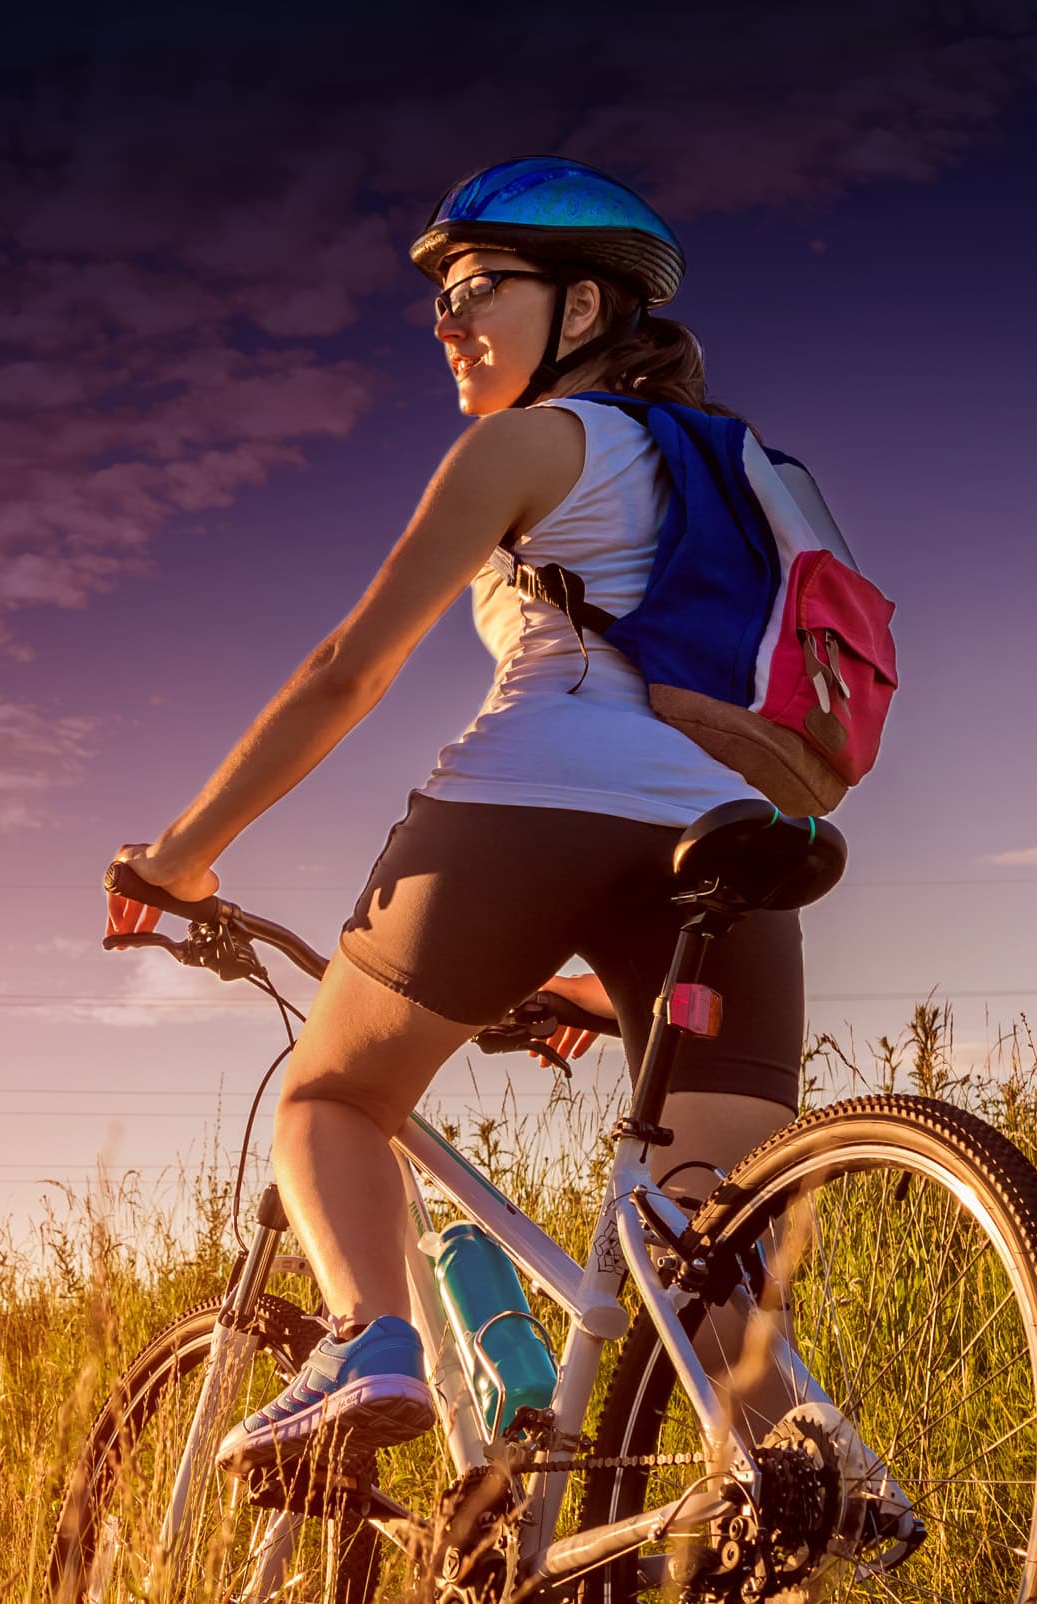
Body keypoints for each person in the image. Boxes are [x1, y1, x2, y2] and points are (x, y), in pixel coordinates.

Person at [105, 155, 813, 1474]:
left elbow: (347, 671)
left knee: (330, 1094)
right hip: (737, 844)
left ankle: (370, 1341)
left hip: (532, 802)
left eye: (479, 286)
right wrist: (587, 986)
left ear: (586, 312)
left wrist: (180, 856)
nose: (447, 322)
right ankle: (812, 1479)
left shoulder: (531, 441)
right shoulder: (750, 474)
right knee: (703, 1250)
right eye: (438, 299)